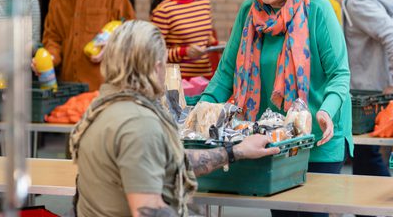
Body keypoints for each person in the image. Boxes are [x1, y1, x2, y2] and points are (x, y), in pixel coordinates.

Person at [200, 0, 353, 217]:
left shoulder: (317, 9)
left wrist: (326, 111)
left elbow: (339, 74)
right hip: (274, 137)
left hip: (318, 137)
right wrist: (205, 104)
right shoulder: (249, 11)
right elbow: (227, 70)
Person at [69, 20, 279, 217]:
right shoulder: (138, 123)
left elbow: (168, 160)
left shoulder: (103, 107)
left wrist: (237, 151)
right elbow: (147, 210)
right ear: (156, 66)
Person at [328, 0, 393, 181]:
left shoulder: (356, 1)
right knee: (364, 154)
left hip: (373, 93)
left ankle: (384, 209)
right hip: (371, 90)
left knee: (366, 154)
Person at [150, 0, 219, 79]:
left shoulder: (204, 2)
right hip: (178, 84)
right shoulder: (164, 10)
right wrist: (183, 52)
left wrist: (217, 45)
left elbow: (207, 39)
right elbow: (153, 53)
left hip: (206, 81)